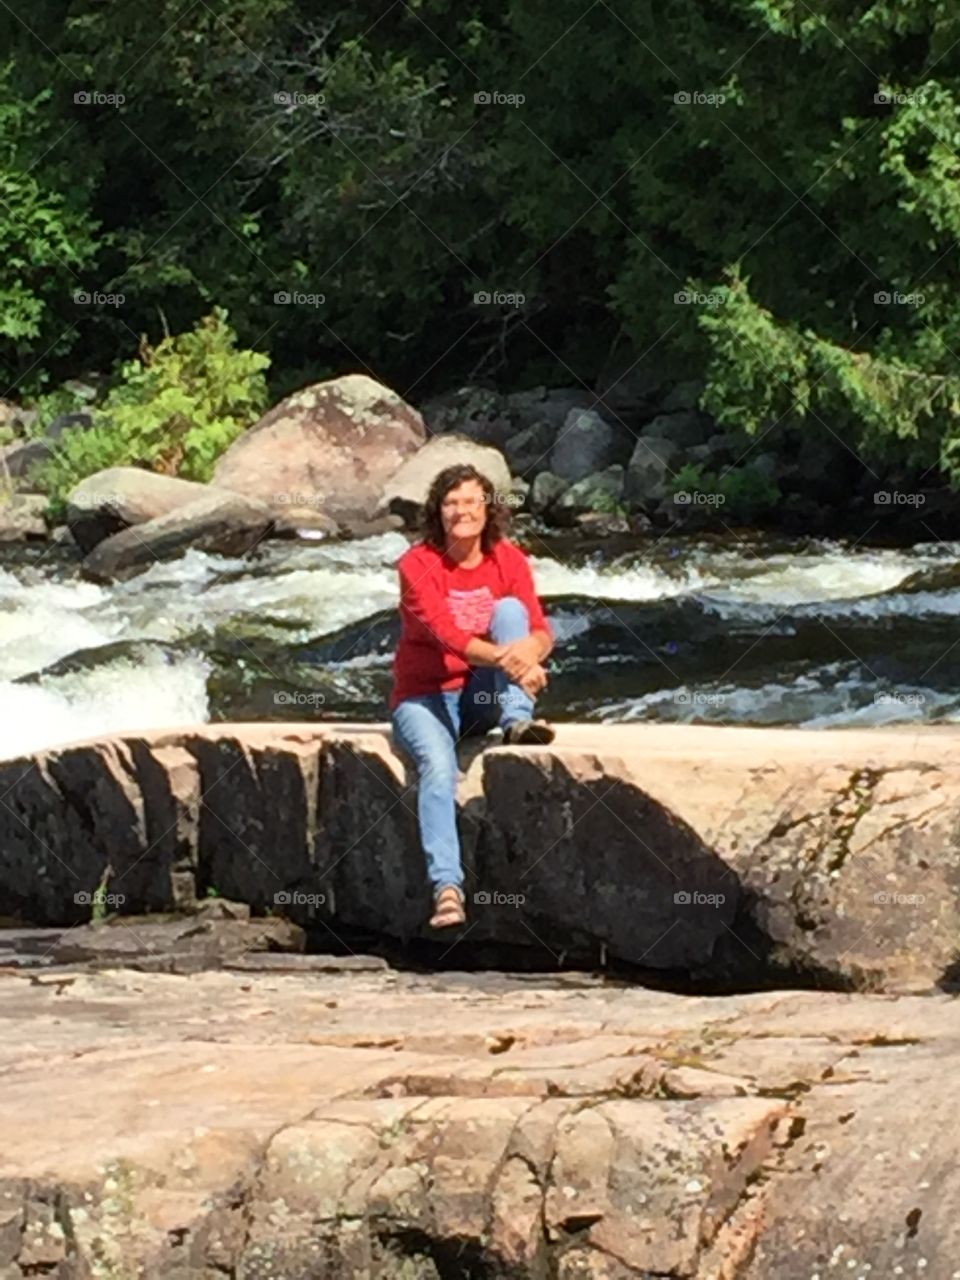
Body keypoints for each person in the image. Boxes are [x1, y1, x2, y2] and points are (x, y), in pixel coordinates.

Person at [390, 464, 555, 929]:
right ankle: (447, 889)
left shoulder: (509, 560)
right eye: (451, 503)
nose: (462, 511)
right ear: (438, 512)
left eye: (471, 501)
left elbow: (540, 629)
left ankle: (517, 720)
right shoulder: (417, 564)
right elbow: (447, 636)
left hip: (478, 698)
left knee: (509, 610)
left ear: (488, 509)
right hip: (423, 699)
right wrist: (513, 661)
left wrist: (530, 652)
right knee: (439, 770)